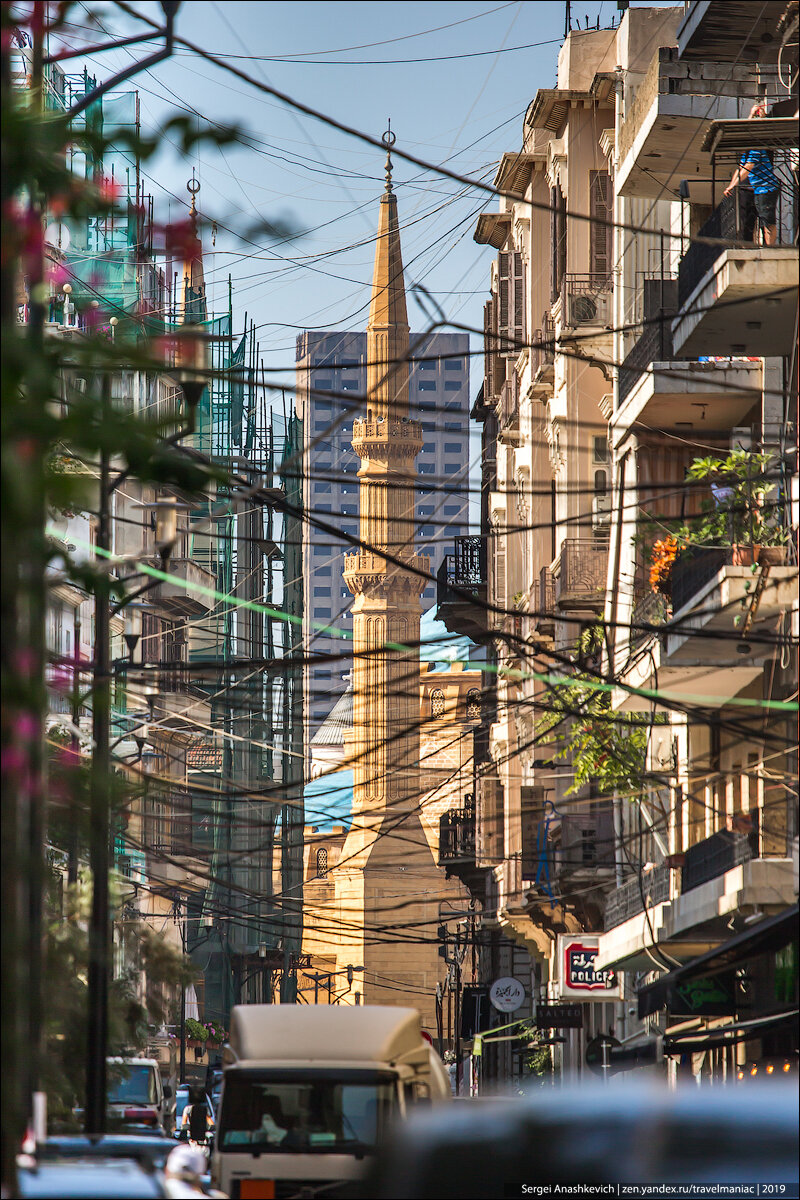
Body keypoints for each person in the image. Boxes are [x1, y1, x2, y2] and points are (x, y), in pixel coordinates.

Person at [724, 101, 780, 245]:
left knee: (767, 220)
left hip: (767, 187)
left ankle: (770, 249)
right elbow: (740, 169)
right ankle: (762, 247)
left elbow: (748, 168)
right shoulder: (747, 153)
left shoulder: (756, 148)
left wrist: (759, 117)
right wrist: (730, 186)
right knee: (759, 220)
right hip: (759, 189)